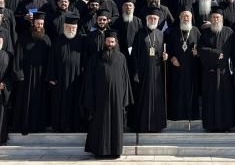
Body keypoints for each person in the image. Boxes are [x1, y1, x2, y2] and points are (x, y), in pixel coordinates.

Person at [84, 30, 133, 158]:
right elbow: (89, 79)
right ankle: (100, 151)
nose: (110, 44)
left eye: (112, 41)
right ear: (104, 42)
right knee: (100, 123)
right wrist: (91, 97)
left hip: (117, 98)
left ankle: (115, 151)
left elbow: (125, 78)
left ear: (116, 43)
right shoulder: (95, 58)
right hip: (100, 98)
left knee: (116, 124)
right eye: (108, 41)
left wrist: (125, 98)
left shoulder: (121, 57)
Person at [198, 7, 235, 131]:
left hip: (225, 72)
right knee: (211, 99)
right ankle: (211, 124)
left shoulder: (229, 32)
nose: (215, 20)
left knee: (226, 98)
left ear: (222, 19)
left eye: (218, 18)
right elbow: (200, 50)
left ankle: (227, 124)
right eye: (214, 17)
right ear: (210, 19)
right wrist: (215, 53)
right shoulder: (205, 33)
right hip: (210, 73)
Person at [12, 11, 52, 134]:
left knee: (40, 102)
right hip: (26, 77)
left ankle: (38, 126)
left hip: (41, 78)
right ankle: (24, 126)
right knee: (25, 101)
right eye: (37, 23)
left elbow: (51, 59)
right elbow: (17, 57)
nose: (39, 26)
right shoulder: (23, 38)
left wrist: (49, 75)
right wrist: (19, 74)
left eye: (41, 24)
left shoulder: (46, 39)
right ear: (33, 23)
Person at [130, 8, 168, 132]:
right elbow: (134, 55)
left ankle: (156, 125)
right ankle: (142, 125)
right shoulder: (139, 34)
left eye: (155, 19)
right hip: (143, 72)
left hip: (157, 72)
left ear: (158, 20)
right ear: (146, 20)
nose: (153, 20)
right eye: (150, 18)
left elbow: (162, 52)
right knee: (143, 98)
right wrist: (136, 72)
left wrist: (165, 57)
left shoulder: (161, 34)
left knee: (156, 98)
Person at [47, 14, 86, 132]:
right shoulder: (58, 40)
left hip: (77, 78)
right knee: (60, 102)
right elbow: (52, 59)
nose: (71, 29)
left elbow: (85, 58)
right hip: (61, 78)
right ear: (65, 27)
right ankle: (61, 125)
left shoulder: (81, 40)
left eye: (73, 28)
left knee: (76, 102)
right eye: (69, 27)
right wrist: (52, 76)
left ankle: (75, 125)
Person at [165, 8, 201, 121]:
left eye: (188, 16)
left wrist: (198, 52)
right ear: (180, 18)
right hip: (177, 69)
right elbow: (168, 48)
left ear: (191, 18)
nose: (186, 18)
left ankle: (192, 116)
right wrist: (172, 58)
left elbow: (202, 47)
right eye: (183, 16)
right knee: (177, 92)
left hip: (192, 68)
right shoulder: (174, 31)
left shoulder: (196, 31)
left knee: (191, 92)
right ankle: (177, 116)